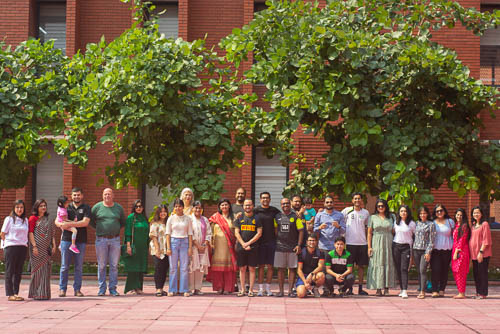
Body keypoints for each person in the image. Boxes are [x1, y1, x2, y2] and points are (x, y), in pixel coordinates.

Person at [90, 188, 126, 296]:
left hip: (115, 239)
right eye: (105, 194)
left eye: (109, 194)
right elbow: (91, 221)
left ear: (113, 195)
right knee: (101, 265)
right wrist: (100, 229)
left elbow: (123, 222)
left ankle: (113, 289)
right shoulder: (97, 207)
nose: (107, 196)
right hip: (101, 240)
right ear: (102, 195)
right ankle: (101, 289)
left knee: (114, 265)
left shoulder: (118, 208)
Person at [56, 187, 91, 297]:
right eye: (74, 195)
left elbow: (85, 223)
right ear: (71, 196)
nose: (76, 197)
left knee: (78, 266)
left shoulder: (86, 207)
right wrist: (62, 225)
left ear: (82, 195)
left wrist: (69, 224)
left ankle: (77, 289)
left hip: (80, 241)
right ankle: (62, 289)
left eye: (78, 195)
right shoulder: (66, 206)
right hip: (66, 240)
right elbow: (57, 221)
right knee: (64, 266)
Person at [274, 197, 304, 297]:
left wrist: (299, 245)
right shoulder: (277, 216)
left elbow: (301, 231)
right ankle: (281, 291)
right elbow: (275, 230)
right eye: (283, 204)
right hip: (280, 247)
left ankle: (290, 291)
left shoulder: (295, 216)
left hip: (292, 247)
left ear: (290, 204)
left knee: (292, 269)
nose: (285, 205)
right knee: (280, 269)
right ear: (281, 205)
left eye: (287, 203)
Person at [341, 192, 370, 296]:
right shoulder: (346, 211)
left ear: (361, 200)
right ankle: (350, 288)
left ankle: (361, 288)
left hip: (362, 243)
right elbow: (341, 223)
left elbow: (367, 228)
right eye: (355, 199)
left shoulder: (366, 213)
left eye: (359, 199)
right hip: (350, 243)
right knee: (350, 266)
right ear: (352, 200)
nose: (357, 200)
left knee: (361, 267)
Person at [208, 198, 238, 294]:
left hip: (229, 247)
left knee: (229, 269)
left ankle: (228, 288)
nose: (224, 207)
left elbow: (236, 232)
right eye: (222, 205)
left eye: (226, 204)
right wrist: (211, 244)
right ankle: (219, 287)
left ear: (229, 206)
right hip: (217, 247)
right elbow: (209, 231)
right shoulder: (215, 218)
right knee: (218, 269)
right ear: (219, 207)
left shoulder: (233, 218)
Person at [366, 198, 395, 296]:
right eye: (378, 206)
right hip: (376, 242)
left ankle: (386, 288)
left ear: (386, 206)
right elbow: (369, 233)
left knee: (387, 262)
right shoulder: (372, 217)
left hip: (388, 242)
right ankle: (378, 288)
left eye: (382, 206)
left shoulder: (392, 217)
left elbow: (394, 231)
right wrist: (369, 247)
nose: (380, 207)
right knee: (377, 263)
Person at [28, 199, 56, 300]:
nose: (43, 207)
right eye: (41, 206)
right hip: (36, 249)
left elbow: (52, 233)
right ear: (37, 207)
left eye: (44, 205)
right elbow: (30, 232)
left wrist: (54, 245)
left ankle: (44, 293)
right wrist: (34, 246)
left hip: (46, 249)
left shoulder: (48, 219)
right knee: (37, 271)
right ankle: (36, 293)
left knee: (45, 271)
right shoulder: (32, 218)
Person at [1, 200, 29, 301]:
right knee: (10, 270)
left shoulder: (25, 220)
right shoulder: (9, 219)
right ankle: (10, 294)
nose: (19, 209)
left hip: (22, 247)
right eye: (17, 207)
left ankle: (15, 293)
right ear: (14, 208)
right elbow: (2, 233)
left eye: (21, 207)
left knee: (18, 271)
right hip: (11, 247)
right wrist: (7, 243)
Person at [234, 199, 262, 297]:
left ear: (253, 206)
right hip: (241, 247)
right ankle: (242, 289)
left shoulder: (257, 218)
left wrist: (248, 243)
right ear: (243, 207)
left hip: (253, 247)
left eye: (249, 205)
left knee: (252, 269)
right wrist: (243, 244)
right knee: (242, 269)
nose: (247, 207)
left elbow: (259, 233)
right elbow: (236, 232)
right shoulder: (239, 218)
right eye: (246, 205)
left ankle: (250, 290)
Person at [254, 192, 280, 296]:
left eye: (267, 198)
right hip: (259, 242)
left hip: (271, 241)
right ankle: (260, 289)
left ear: (270, 199)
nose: (265, 199)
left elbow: (283, 218)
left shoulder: (274, 211)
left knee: (270, 266)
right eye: (263, 198)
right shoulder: (256, 211)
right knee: (261, 266)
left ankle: (268, 288)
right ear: (260, 199)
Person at [166, 198, 193, 297]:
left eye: (180, 206)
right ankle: (172, 289)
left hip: (185, 242)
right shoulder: (171, 218)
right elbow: (168, 234)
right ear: (174, 207)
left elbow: (190, 234)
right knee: (173, 268)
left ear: (183, 207)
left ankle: (184, 289)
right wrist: (168, 248)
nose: (178, 208)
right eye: (176, 206)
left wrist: (190, 247)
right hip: (173, 242)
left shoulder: (188, 218)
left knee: (184, 267)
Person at [123, 199, 149, 295]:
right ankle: (131, 287)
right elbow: (128, 232)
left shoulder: (144, 218)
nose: (138, 208)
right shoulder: (131, 217)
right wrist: (128, 246)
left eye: (140, 206)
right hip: (134, 246)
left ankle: (139, 287)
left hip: (143, 247)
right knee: (133, 267)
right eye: (137, 206)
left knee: (140, 268)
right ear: (134, 208)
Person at [431, 204, 455, 298]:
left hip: (447, 249)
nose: (439, 212)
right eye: (437, 211)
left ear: (444, 211)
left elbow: (455, 234)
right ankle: (434, 290)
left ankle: (442, 289)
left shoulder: (450, 222)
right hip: (435, 249)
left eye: (441, 210)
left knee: (445, 270)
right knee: (435, 270)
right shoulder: (432, 222)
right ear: (435, 213)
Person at [392, 205, 416, 299]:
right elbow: (393, 233)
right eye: (401, 211)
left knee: (404, 268)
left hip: (406, 247)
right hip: (396, 246)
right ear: (399, 212)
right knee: (398, 268)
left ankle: (405, 290)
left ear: (408, 212)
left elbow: (415, 235)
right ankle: (401, 289)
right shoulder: (396, 222)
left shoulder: (412, 223)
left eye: (405, 211)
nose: (403, 213)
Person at [413, 206, 436, 299]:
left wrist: (428, 252)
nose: (422, 215)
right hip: (416, 249)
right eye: (421, 213)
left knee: (423, 270)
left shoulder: (431, 224)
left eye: (424, 213)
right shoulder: (416, 223)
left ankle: (423, 291)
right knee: (418, 270)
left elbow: (432, 240)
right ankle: (421, 287)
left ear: (427, 214)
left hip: (424, 251)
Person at [469, 206, 492, 299]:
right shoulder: (474, 225)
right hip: (474, 254)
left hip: (482, 254)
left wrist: (481, 252)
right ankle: (478, 292)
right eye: (474, 213)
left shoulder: (485, 224)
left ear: (481, 214)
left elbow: (486, 240)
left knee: (482, 273)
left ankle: (483, 293)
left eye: (478, 212)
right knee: (476, 273)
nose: (476, 214)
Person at [189, 201, 211, 295]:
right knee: (192, 267)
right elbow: (190, 233)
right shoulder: (189, 219)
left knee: (200, 268)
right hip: (193, 247)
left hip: (203, 248)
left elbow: (209, 233)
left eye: (199, 208)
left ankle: (198, 288)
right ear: (192, 208)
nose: (198, 210)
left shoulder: (205, 220)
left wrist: (205, 243)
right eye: (196, 208)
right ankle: (190, 288)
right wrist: (197, 245)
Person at [150, 204, 169, 297]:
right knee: (158, 268)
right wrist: (157, 249)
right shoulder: (155, 223)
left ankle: (161, 288)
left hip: (166, 250)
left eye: (164, 211)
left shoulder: (168, 223)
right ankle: (158, 288)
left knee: (165, 269)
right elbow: (154, 237)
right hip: (157, 249)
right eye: (161, 211)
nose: (163, 213)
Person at [451, 208, 470, 299]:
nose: (459, 216)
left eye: (461, 215)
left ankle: (462, 293)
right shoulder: (456, 225)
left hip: (461, 251)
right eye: (457, 215)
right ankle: (460, 291)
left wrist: (456, 251)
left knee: (460, 271)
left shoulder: (464, 226)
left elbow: (462, 240)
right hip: (455, 249)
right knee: (455, 271)